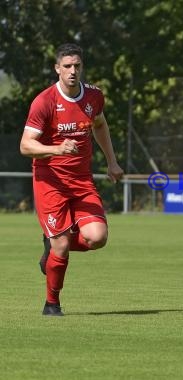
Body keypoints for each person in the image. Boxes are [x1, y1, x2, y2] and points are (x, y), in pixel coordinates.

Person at [19, 43, 124, 316]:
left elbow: (99, 125)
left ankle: (53, 242)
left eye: (77, 65)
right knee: (62, 245)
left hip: (81, 181)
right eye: (67, 66)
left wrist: (112, 162)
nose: (72, 71)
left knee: (97, 237)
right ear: (57, 69)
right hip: (50, 182)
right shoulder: (44, 101)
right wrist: (56, 149)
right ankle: (52, 303)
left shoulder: (93, 97)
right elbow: (26, 145)